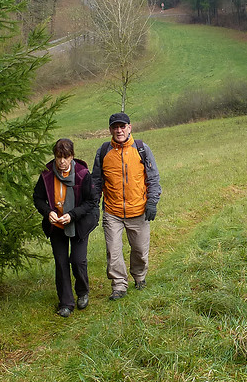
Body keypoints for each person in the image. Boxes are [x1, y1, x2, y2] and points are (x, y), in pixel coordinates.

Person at [91, 112, 161, 301]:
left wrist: (152, 202)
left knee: (139, 251)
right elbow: (96, 182)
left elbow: (153, 178)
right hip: (112, 212)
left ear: (130, 127)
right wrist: (93, 206)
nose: (119, 130)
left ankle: (139, 277)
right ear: (110, 130)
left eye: (122, 126)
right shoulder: (104, 151)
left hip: (138, 210)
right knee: (113, 252)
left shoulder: (142, 149)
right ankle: (119, 286)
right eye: (115, 127)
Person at [32, 138, 99, 318]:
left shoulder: (82, 174)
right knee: (61, 263)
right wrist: (48, 212)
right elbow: (37, 198)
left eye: (66, 157)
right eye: (58, 157)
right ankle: (66, 303)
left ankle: (83, 291)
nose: (62, 162)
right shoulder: (46, 175)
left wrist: (73, 215)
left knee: (77, 261)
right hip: (57, 226)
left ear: (72, 157)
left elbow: (92, 201)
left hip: (79, 223)